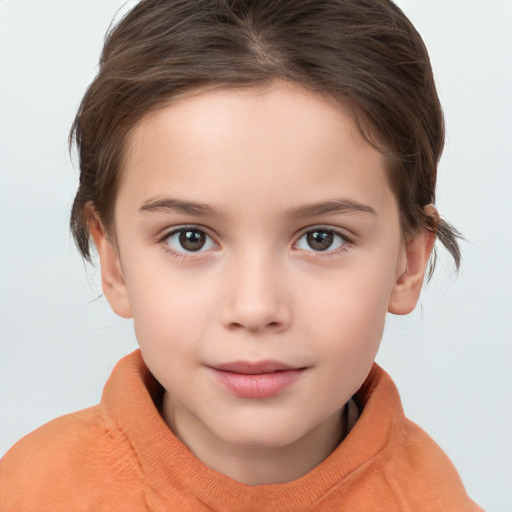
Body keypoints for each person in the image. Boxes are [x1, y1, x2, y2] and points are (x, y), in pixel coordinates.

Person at [0, 0, 484, 510]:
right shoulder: (26, 492)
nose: (255, 309)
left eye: (322, 238)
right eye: (190, 238)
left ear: (407, 264)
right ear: (114, 263)